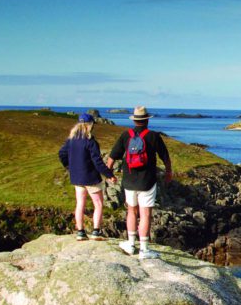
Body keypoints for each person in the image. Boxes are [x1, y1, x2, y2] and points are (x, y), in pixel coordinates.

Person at [106, 106, 172, 259]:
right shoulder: (153, 136)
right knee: (145, 214)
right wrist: (168, 172)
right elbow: (165, 157)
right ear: (147, 120)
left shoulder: (125, 135)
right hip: (147, 181)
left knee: (131, 211)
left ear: (135, 120)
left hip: (129, 181)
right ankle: (144, 249)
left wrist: (109, 173)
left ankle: (130, 244)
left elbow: (112, 157)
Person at [59, 113, 116, 241]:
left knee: (80, 204)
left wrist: (68, 166)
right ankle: (96, 232)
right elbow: (97, 162)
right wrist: (109, 175)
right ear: (90, 125)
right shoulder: (90, 142)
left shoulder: (71, 140)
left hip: (77, 177)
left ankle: (80, 232)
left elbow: (61, 153)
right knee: (99, 204)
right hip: (90, 177)